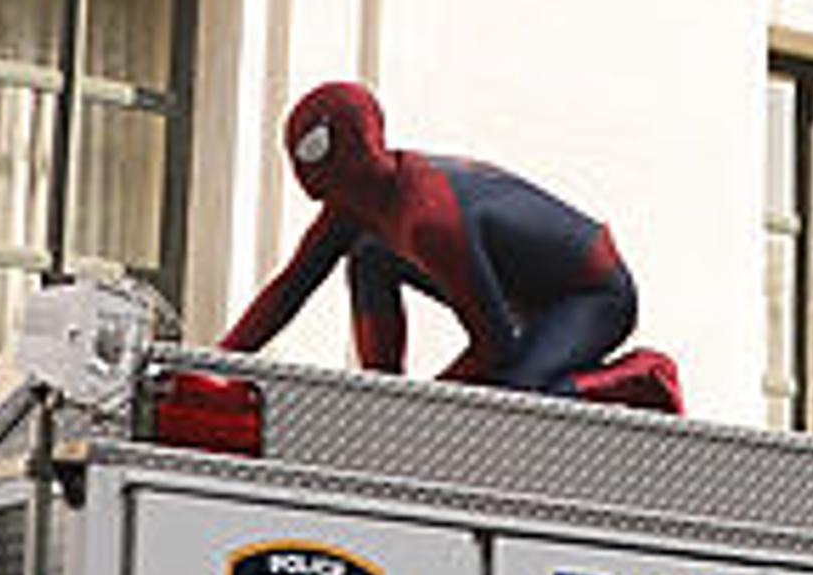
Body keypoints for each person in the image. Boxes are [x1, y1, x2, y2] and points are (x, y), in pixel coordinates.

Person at [217, 79, 674, 403]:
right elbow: (289, 288)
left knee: (513, 397)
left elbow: (495, 345)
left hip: (593, 294)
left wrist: (428, 402)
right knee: (369, 255)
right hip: (525, 296)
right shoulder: (353, 208)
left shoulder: (431, 220)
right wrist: (216, 363)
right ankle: (384, 389)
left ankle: (641, 377)